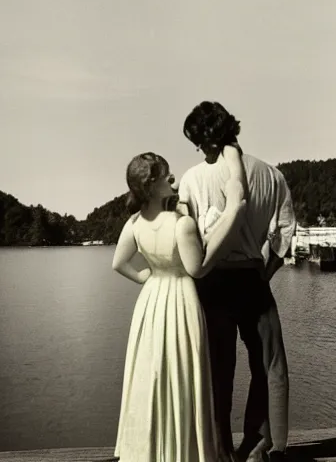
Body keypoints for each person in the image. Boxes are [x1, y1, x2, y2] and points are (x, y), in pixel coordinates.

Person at [178, 101, 297, 462]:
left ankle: (219, 450)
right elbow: (286, 232)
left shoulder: (193, 178)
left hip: (213, 282)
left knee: (218, 370)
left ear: (208, 142)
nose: (198, 150)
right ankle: (263, 446)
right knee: (269, 364)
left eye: (197, 142)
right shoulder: (271, 175)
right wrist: (268, 270)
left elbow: (188, 238)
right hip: (252, 279)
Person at [112, 148, 247, 462]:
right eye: (167, 175)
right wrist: (227, 220)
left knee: (152, 373)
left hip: (151, 301)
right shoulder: (181, 224)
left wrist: (145, 276)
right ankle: (183, 451)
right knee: (182, 373)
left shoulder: (134, 222)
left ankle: (147, 450)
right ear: (155, 183)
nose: (174, 179)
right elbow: (196, 269)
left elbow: (119, 263)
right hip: (181, 301)